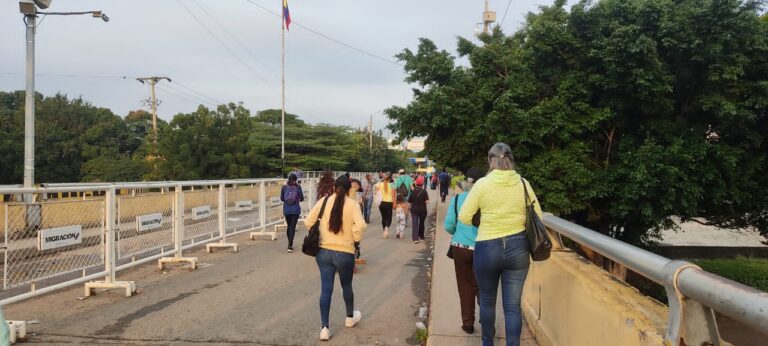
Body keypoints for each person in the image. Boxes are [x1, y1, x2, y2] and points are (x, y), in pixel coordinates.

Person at [459, 143, 542, 346]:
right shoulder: (523, 183)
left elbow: (464, 216)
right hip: (518, 248)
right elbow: (538, 216)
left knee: (487, 302)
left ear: (490, 160)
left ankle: (488, 343)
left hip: (487, 248)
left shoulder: (482, 185)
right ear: (511, 160)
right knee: (513, 307)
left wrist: (484, 222)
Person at [304, 175, 366, 341]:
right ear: (348, 189)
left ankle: (324, 328)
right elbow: (360, 226)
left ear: (334, 187)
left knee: (326, 289)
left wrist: (323, 233)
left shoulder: (324, 201)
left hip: (323, 252)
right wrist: (353, 238)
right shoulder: (352, 205)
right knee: (346, 286)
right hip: (345, 253)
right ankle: (349, 318)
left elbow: (308, 221)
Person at [443, 167, 484, 334]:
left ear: (466, 181)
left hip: (461, 248)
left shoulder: (458, 199)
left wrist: (459, 233)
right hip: (484, 247)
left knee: (465, 285)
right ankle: (487, 320)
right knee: (484, 286)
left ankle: (468, 323)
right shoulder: (487, 200)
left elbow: (448, 225)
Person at [280, 173, 305, 253]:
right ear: (295, 180)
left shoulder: (284, 187)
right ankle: (290, 245)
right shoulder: (298, 187)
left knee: (289, 226)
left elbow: (282, 198)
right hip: (295, 210)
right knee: (292, 227)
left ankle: (289, 243)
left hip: (287, 210)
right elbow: (301, 198)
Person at [407, 176, 430, 243]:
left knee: (415, 223)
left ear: (416, 184)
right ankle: (421, 236)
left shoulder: (413, 192)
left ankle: (415, 238)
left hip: (414, 210)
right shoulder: (424, 191)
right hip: (422, 210)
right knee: (421, 223)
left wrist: (407, 210)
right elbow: (427, 201)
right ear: (422, 184)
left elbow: (409, 202)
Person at [375, 173, 395, 238]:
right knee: (389, 217)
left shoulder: (379, 185)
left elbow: (377, 193)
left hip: (381, 203)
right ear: (389, 180)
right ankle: (387, 228)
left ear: (383, 179)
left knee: (383, 217)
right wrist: (394, 203)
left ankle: (384, 231)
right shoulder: (392, 185)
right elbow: (393, 195)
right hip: (389, 203)